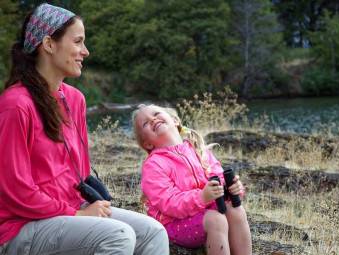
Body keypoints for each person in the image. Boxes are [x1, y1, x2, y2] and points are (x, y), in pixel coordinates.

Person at [0, 3, 168, 255]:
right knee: (117, 236)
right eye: (78, 42)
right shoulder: (16, 105)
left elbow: (78, 172)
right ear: (48, 44)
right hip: (21, 226)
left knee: (153, 232)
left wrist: (83, 208)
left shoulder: (75, 99)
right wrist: (76, 213)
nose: (85, 51)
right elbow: (15, 190)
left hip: (70, 210)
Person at [132, 104, 252, 255]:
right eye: (145, 123)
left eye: (156, 113)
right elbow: (169, 203)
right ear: (147, 143)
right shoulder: (153, 165)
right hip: (173, 223)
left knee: (236, 210)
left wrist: (231, 188)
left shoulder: (197, 149)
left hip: (204, 211)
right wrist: (201, 197)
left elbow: (218, 177)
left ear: (175, 120)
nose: (153, 119)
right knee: (216, 220)